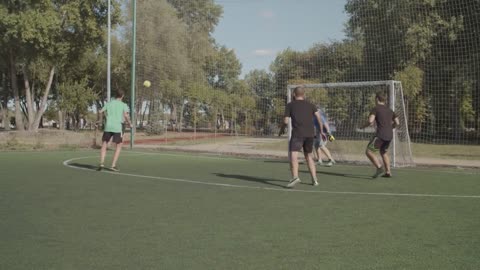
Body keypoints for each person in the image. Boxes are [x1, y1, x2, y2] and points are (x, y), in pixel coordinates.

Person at [279, 86, 324, 188]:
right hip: (310, 134)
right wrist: (321, 131)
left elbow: (285, 121)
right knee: (308, 156)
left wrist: (282, 129)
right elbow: (319, 118)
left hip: (298, 133)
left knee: (293, 154)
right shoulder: (311, 105)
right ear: (304, 95)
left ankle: (295, 177)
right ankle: (314, 179)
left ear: (294, 95)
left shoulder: (290, 105)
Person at [362, 92, 400, 178]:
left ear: (376, 99)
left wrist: (362, 126)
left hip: (380, 135)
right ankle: (388, 172)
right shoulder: (390, 110)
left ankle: (379, 167)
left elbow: (370, 121)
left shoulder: (376, 109)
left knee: (369, 152)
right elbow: (397, 122)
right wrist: (391, 127)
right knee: (383, 152)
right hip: (389, 135)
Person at [97, 90, 132, 172]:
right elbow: (126, 115)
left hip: (108, 126)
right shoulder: (123, 105)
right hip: (117, 127)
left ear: (115, 95)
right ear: (122, 96)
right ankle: (112, 165)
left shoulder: (109, 103)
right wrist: (130, 123)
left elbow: (100, 111)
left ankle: (101, 163)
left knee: (104, 144)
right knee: (119, 145)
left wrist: (99, 120)